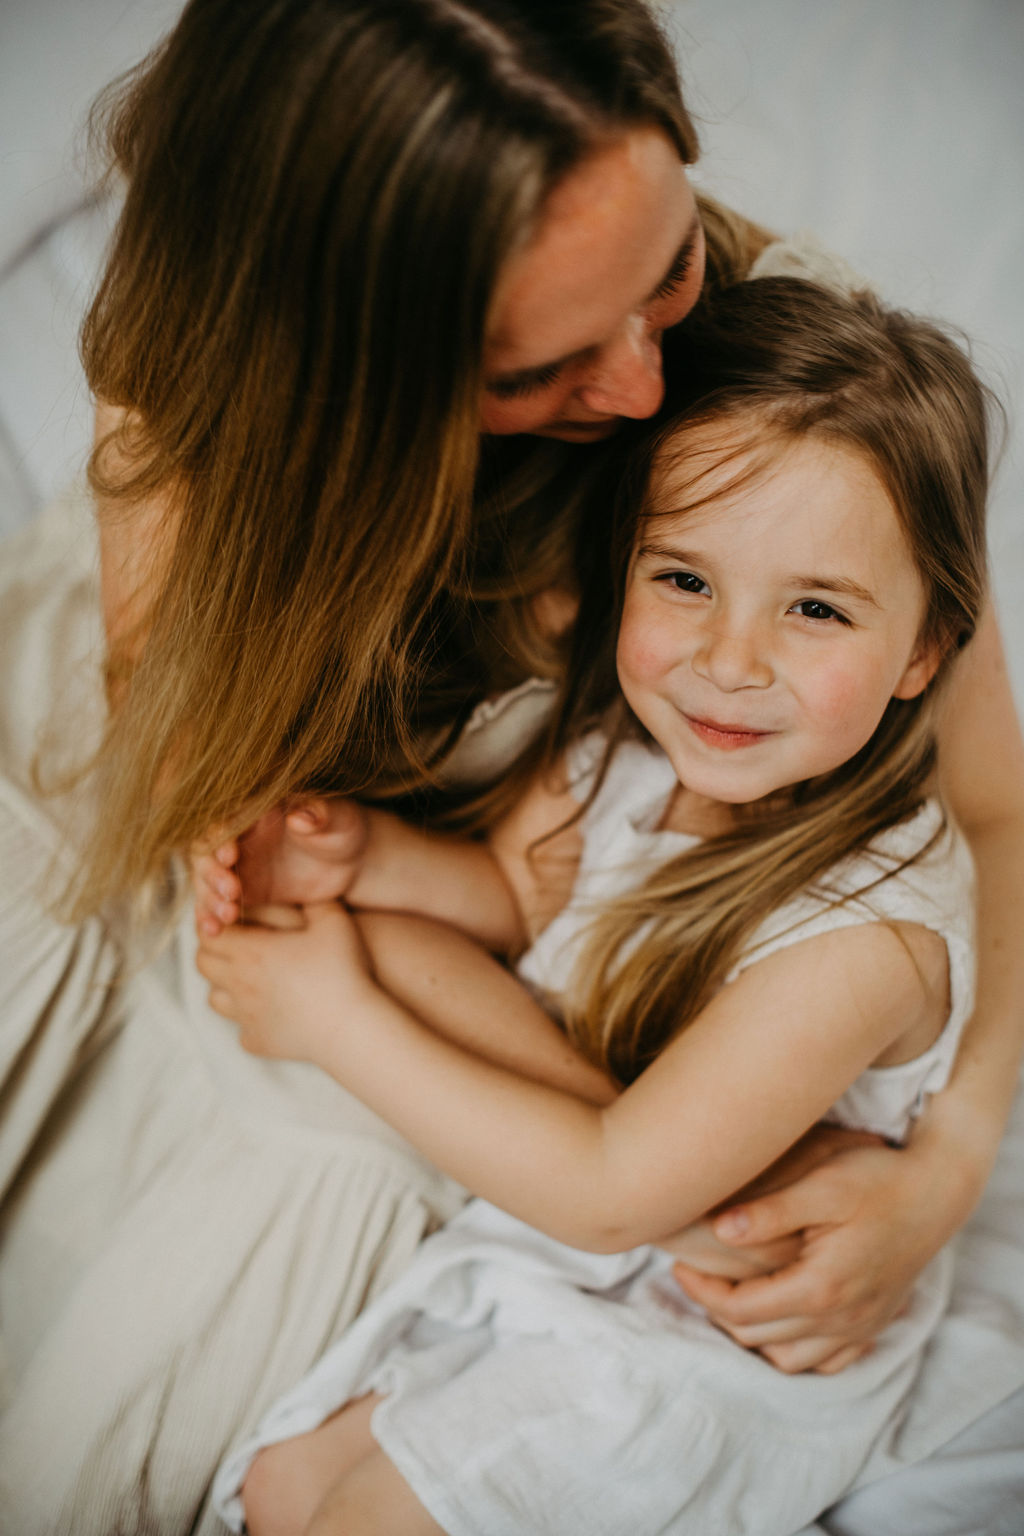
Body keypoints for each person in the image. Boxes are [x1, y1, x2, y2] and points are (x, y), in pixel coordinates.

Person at [0, 1, 1022, 1532]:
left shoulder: (778, 395)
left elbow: (996, 802)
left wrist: (941, 1165)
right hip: (376, 956)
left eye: (664, 267)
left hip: (485, 1037)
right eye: (535, 365)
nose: (639, 390)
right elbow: (264, 848)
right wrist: (367, 897)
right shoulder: (209, 422)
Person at [201, 276, 985, 1536]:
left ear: (923, 651)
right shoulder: (629, 751)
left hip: (700, 1336)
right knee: (279, 1489)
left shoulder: (868, 932)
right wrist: (362, 859)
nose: (731, 660)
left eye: (815, 608)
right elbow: (517, 901)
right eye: (684, 581)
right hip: (566, 1250)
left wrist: (336, 1018)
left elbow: (615, 1188)